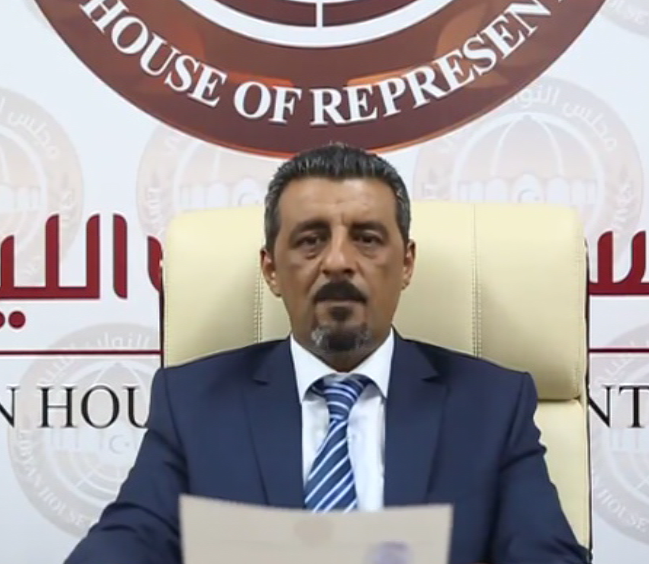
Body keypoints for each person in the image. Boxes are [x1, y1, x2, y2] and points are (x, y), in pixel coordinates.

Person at [65, 143, 590, 564]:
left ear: (407, 264)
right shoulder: (194, 404)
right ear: (271, 270)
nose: (338, 261)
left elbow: (546, 553)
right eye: (311, 240)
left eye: (367, 239)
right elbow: (125, 543)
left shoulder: (491, 405)